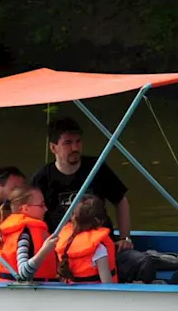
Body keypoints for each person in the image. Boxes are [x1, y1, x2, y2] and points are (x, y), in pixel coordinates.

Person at [31, 117, 156, 283]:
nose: (75, 148)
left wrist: (125, 238)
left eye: (78, 142)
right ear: (53, 147)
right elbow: (32, 217)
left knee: (144, 262)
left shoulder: (96, 168)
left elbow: (121, 200)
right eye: (67, 143)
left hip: (104, 248)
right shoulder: (41, 179)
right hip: (65, 255)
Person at [0, 185, 59, 281]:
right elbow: (23, 273)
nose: (46, 209)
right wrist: (45, 250)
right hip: (27, 293)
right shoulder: (24, 234)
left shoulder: (13, 231)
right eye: (41, 205)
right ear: (24, 209)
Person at [55, 196, 117, 284]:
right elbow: (107, 284)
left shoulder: (62, 243)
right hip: (93, 296)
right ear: (99, 221)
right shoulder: (99, 249)